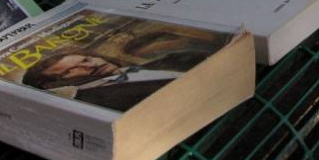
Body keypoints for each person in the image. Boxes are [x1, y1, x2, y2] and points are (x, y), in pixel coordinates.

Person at [21, 50, 210, 112]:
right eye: (73, 69)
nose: (91, 66)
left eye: (86, 59)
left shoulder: (177, 57)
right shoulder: (93, 104)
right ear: (54, 84)